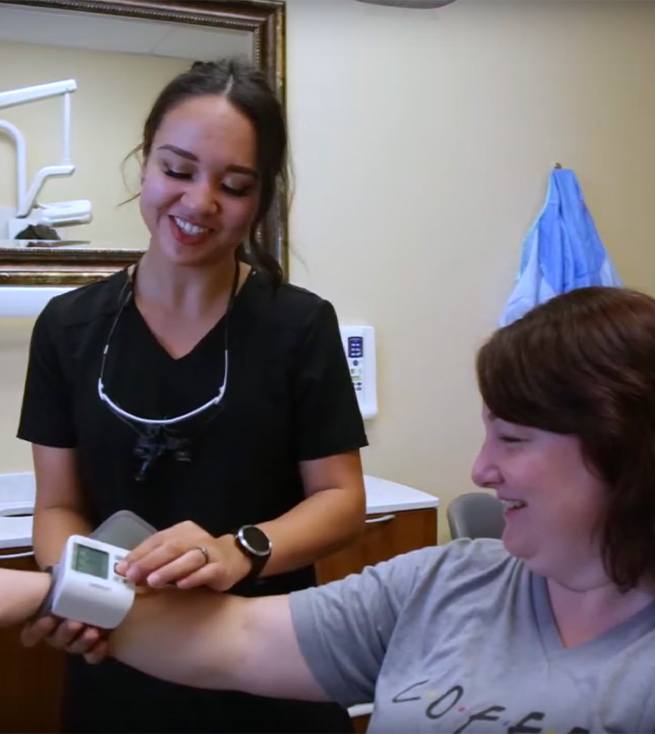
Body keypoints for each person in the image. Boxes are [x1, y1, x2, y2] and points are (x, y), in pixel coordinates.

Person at [5, 285, 655, 733]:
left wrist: (241, 548)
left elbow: (340, 501)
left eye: (512, 439)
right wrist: (37, 592)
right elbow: (232, 640)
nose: (480, 471)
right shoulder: (445, 583)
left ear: (620, 446)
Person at [16, 57, 367, 733]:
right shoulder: (67, 327)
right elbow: (58, 506)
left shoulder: (298, 325)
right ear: (145, 164)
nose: (199, 202)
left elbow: (340, 501)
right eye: (177, 171)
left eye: (233, 185)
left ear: (261, 197)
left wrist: (241, 549)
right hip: (121, 656)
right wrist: (79, 594)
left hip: (269, 660)